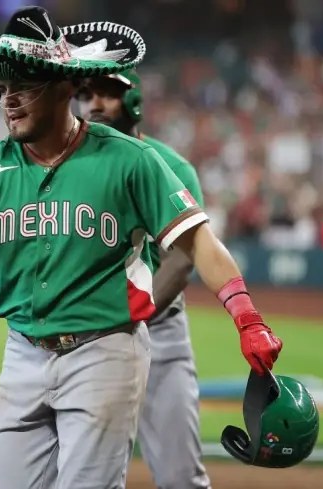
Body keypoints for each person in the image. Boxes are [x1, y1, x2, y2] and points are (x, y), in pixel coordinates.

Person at [0, 7, 283, 489]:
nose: (9, 99)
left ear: (66, 87)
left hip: (104, 351)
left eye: (25, 83)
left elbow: (199, 243)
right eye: (1, 86)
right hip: (23, 352)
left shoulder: (129, 159)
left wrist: (247, 318)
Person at [76, 69, 211, 489]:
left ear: (133, 102)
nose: (94, 104)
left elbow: (181, 259)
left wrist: (128, 315)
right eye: (86, 95)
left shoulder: (172, 167)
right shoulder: (69, 168)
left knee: (180, 476)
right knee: (80, 473)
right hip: (84, 336)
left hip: (158, 328)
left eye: (106, 95)